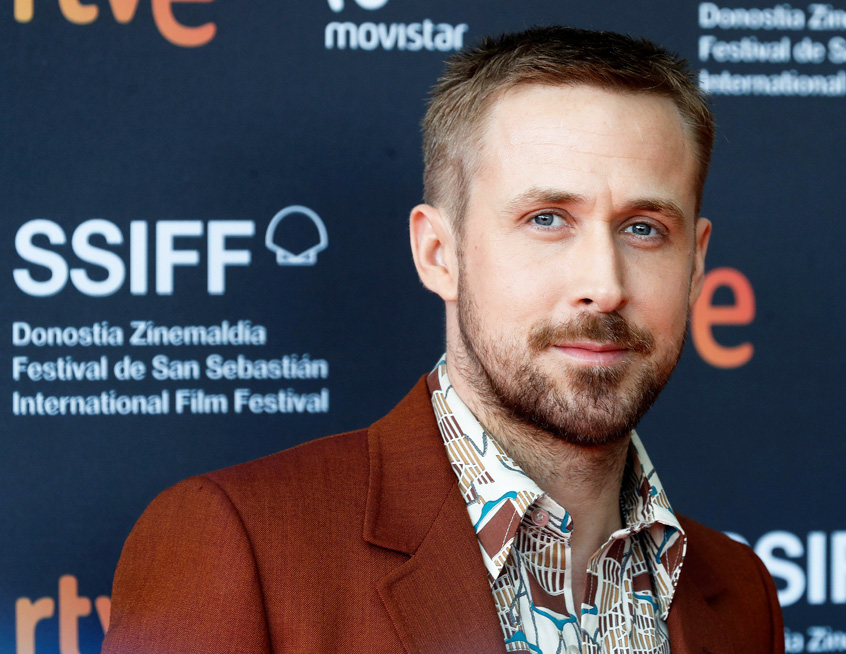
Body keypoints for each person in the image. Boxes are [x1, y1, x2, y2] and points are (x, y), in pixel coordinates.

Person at [102, 26, 783, 654]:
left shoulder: (738, 590)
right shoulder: (240, 547)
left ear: (695, 267)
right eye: (547, 218)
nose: (604, 285)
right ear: (438, 253)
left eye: (643, 229)